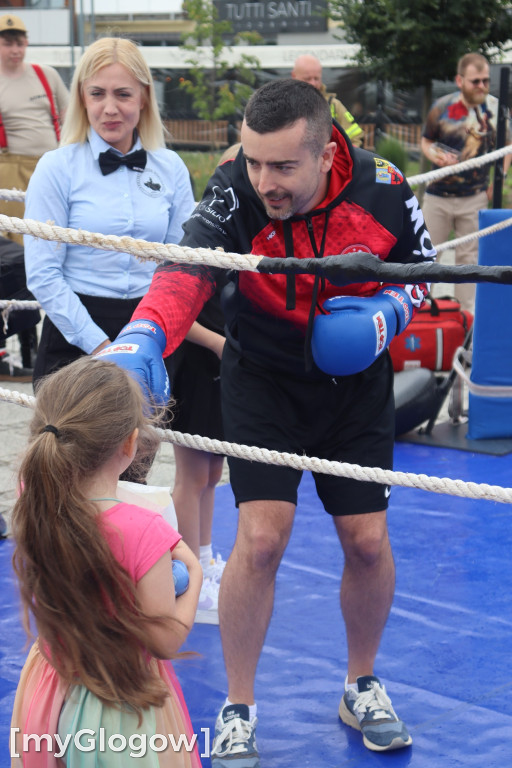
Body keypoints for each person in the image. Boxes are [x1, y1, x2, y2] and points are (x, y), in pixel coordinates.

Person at [97, 78, 436, 763]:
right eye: (254, 161)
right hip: (261, 379)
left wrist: (388, 315)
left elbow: (423, 272)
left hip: (353, 387)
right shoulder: (234, 184)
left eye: (282, 167)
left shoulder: (384, 188)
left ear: (324, 153)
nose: (264, 181)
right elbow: (189, 267)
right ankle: (239, 704)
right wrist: (143, 335)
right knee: (260, 538)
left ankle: (361, 683)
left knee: (367, 540)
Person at [10, 356, 203, 767]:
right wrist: (195, 570)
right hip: (118, 711)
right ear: (131, 444)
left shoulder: (33, 499)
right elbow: (163, 640)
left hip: (48, 689)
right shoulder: (144, 531)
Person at [23, 36, 195, 386]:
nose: (110, 108)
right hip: (75, 333)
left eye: (123, 94)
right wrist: (101, 345)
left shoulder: (171, 167)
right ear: (82, 99)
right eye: (97, 93)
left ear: (145, 97)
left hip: (150, 327)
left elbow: (180, 264)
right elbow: (43, 273)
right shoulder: (56, 167)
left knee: (144, 442)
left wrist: (147, 336)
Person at [421, 51, 510, 312]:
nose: (482, 86)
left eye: (485, 80)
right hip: (437, 196)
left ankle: (462, 320)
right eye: (475, 81)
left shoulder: (495, 109)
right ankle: (423, 316)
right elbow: (426, 141)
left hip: (474, 196)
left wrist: (499, 177)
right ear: (460, 80)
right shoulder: (441, 107)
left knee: (468, 260)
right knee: (427, 256)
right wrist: (435, 155)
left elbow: (508, 145)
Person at [170, 304, 227, 624]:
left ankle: (203, 560)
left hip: (219, 361)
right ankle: (191, 577)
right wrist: (216, 342)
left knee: (212, 473)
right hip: (195, 362)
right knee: (192, 477)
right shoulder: (187, 254)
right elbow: (173, 311)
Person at [0, 13, 69, 247]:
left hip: (51, 165)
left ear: (27, 43)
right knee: (15, 235)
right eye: (7, 43)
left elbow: (71, 118)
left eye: (19, 43)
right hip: (10, 169)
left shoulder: (46, 74)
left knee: (51, 230)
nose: (15, 50)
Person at [291, 53, 364, 148]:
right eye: (307, 79)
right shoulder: (283, 104)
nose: (313, 83)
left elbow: (355, 138)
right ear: (294, 76)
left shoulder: (333, 105)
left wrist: (341, 158)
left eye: (316, 78)